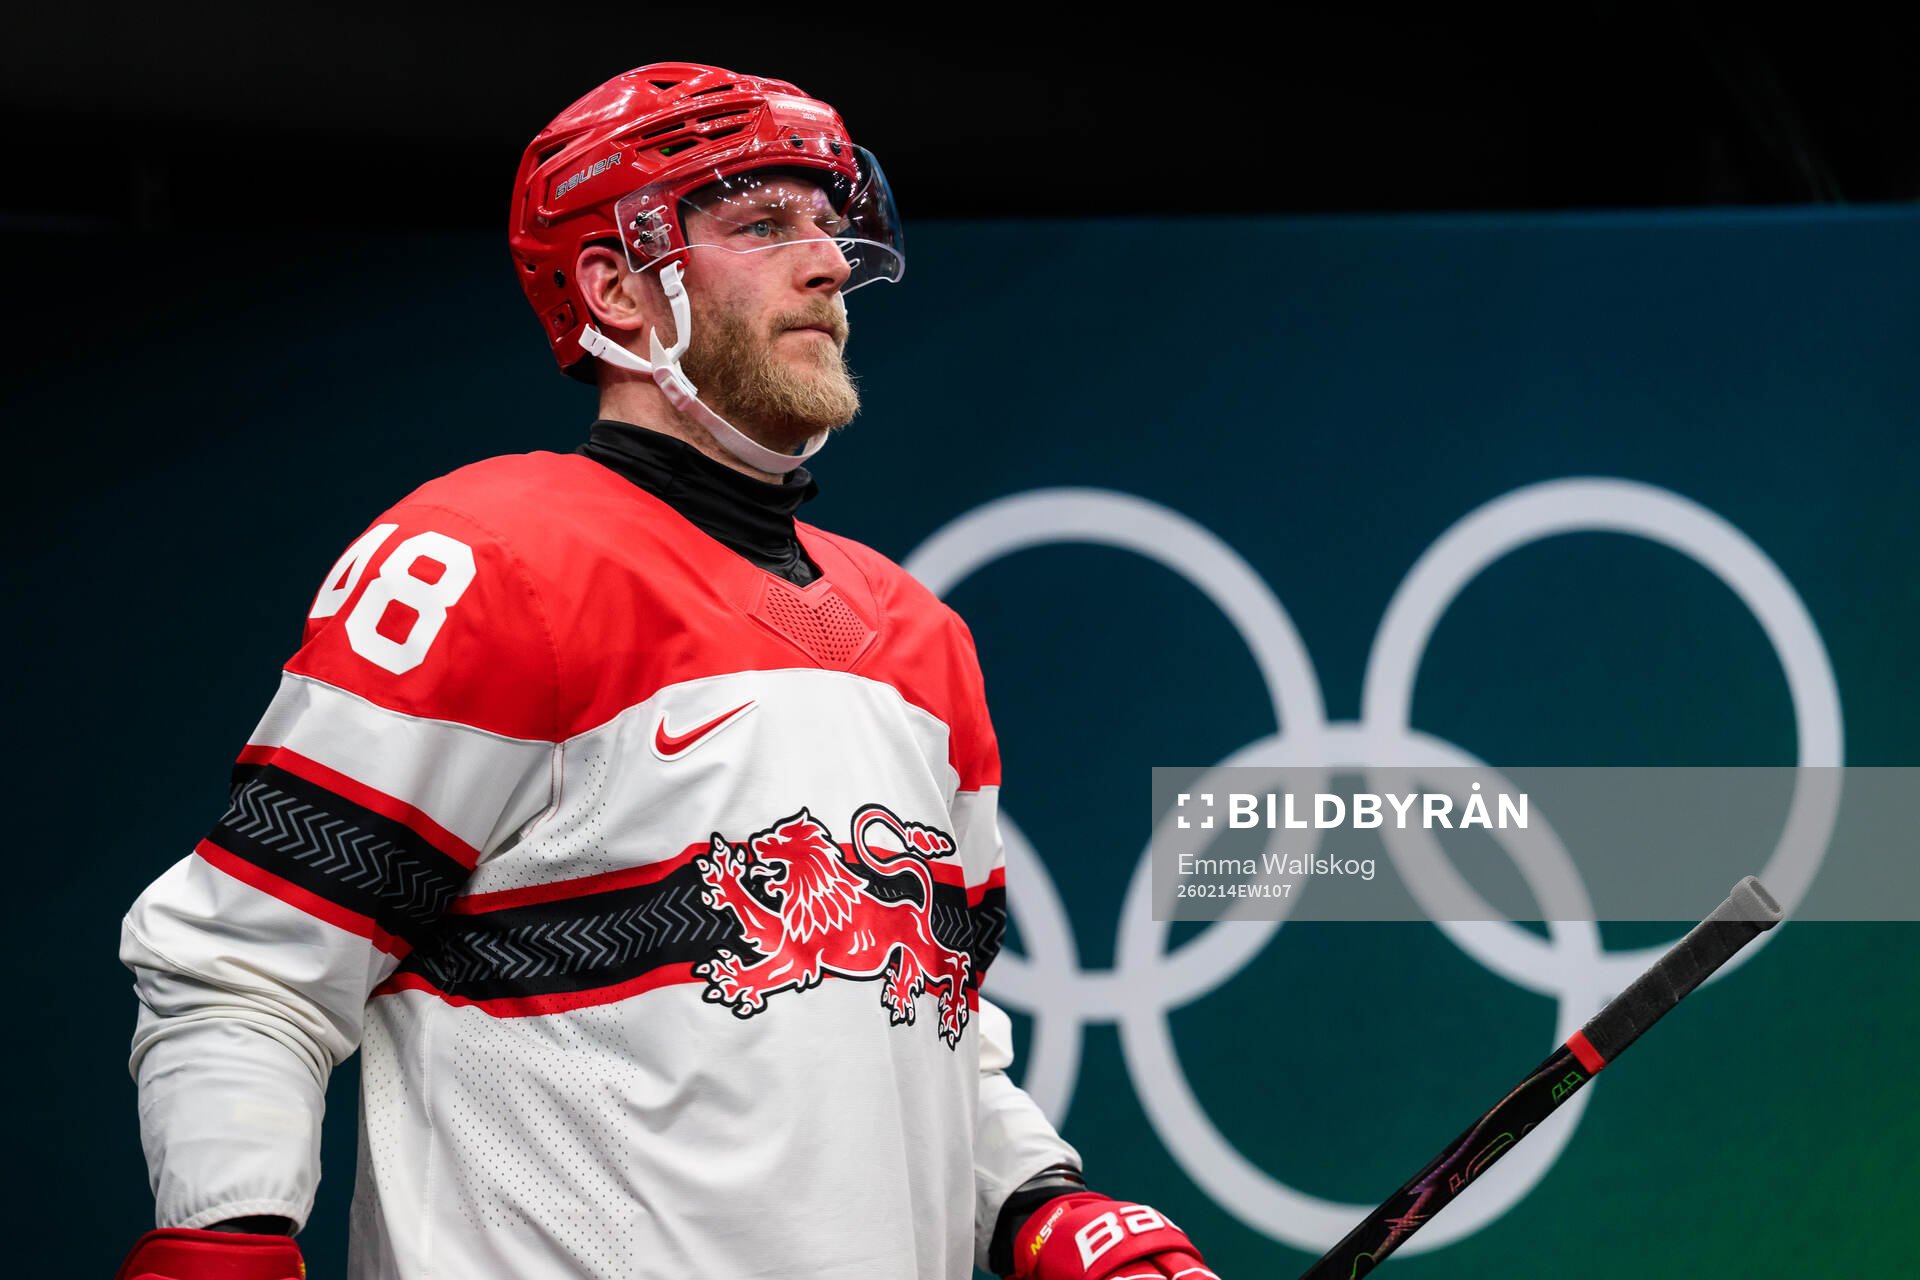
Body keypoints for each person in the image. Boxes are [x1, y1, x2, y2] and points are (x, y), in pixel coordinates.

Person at [116, 62, 1221, 1280]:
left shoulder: (920, 633)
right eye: (761, 224)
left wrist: (1039, 1200)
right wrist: (226, 1225)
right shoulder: (487, 560)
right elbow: (244, 965)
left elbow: (918, 1020)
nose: (829, 262)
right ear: (615, 291)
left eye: (828, 223)